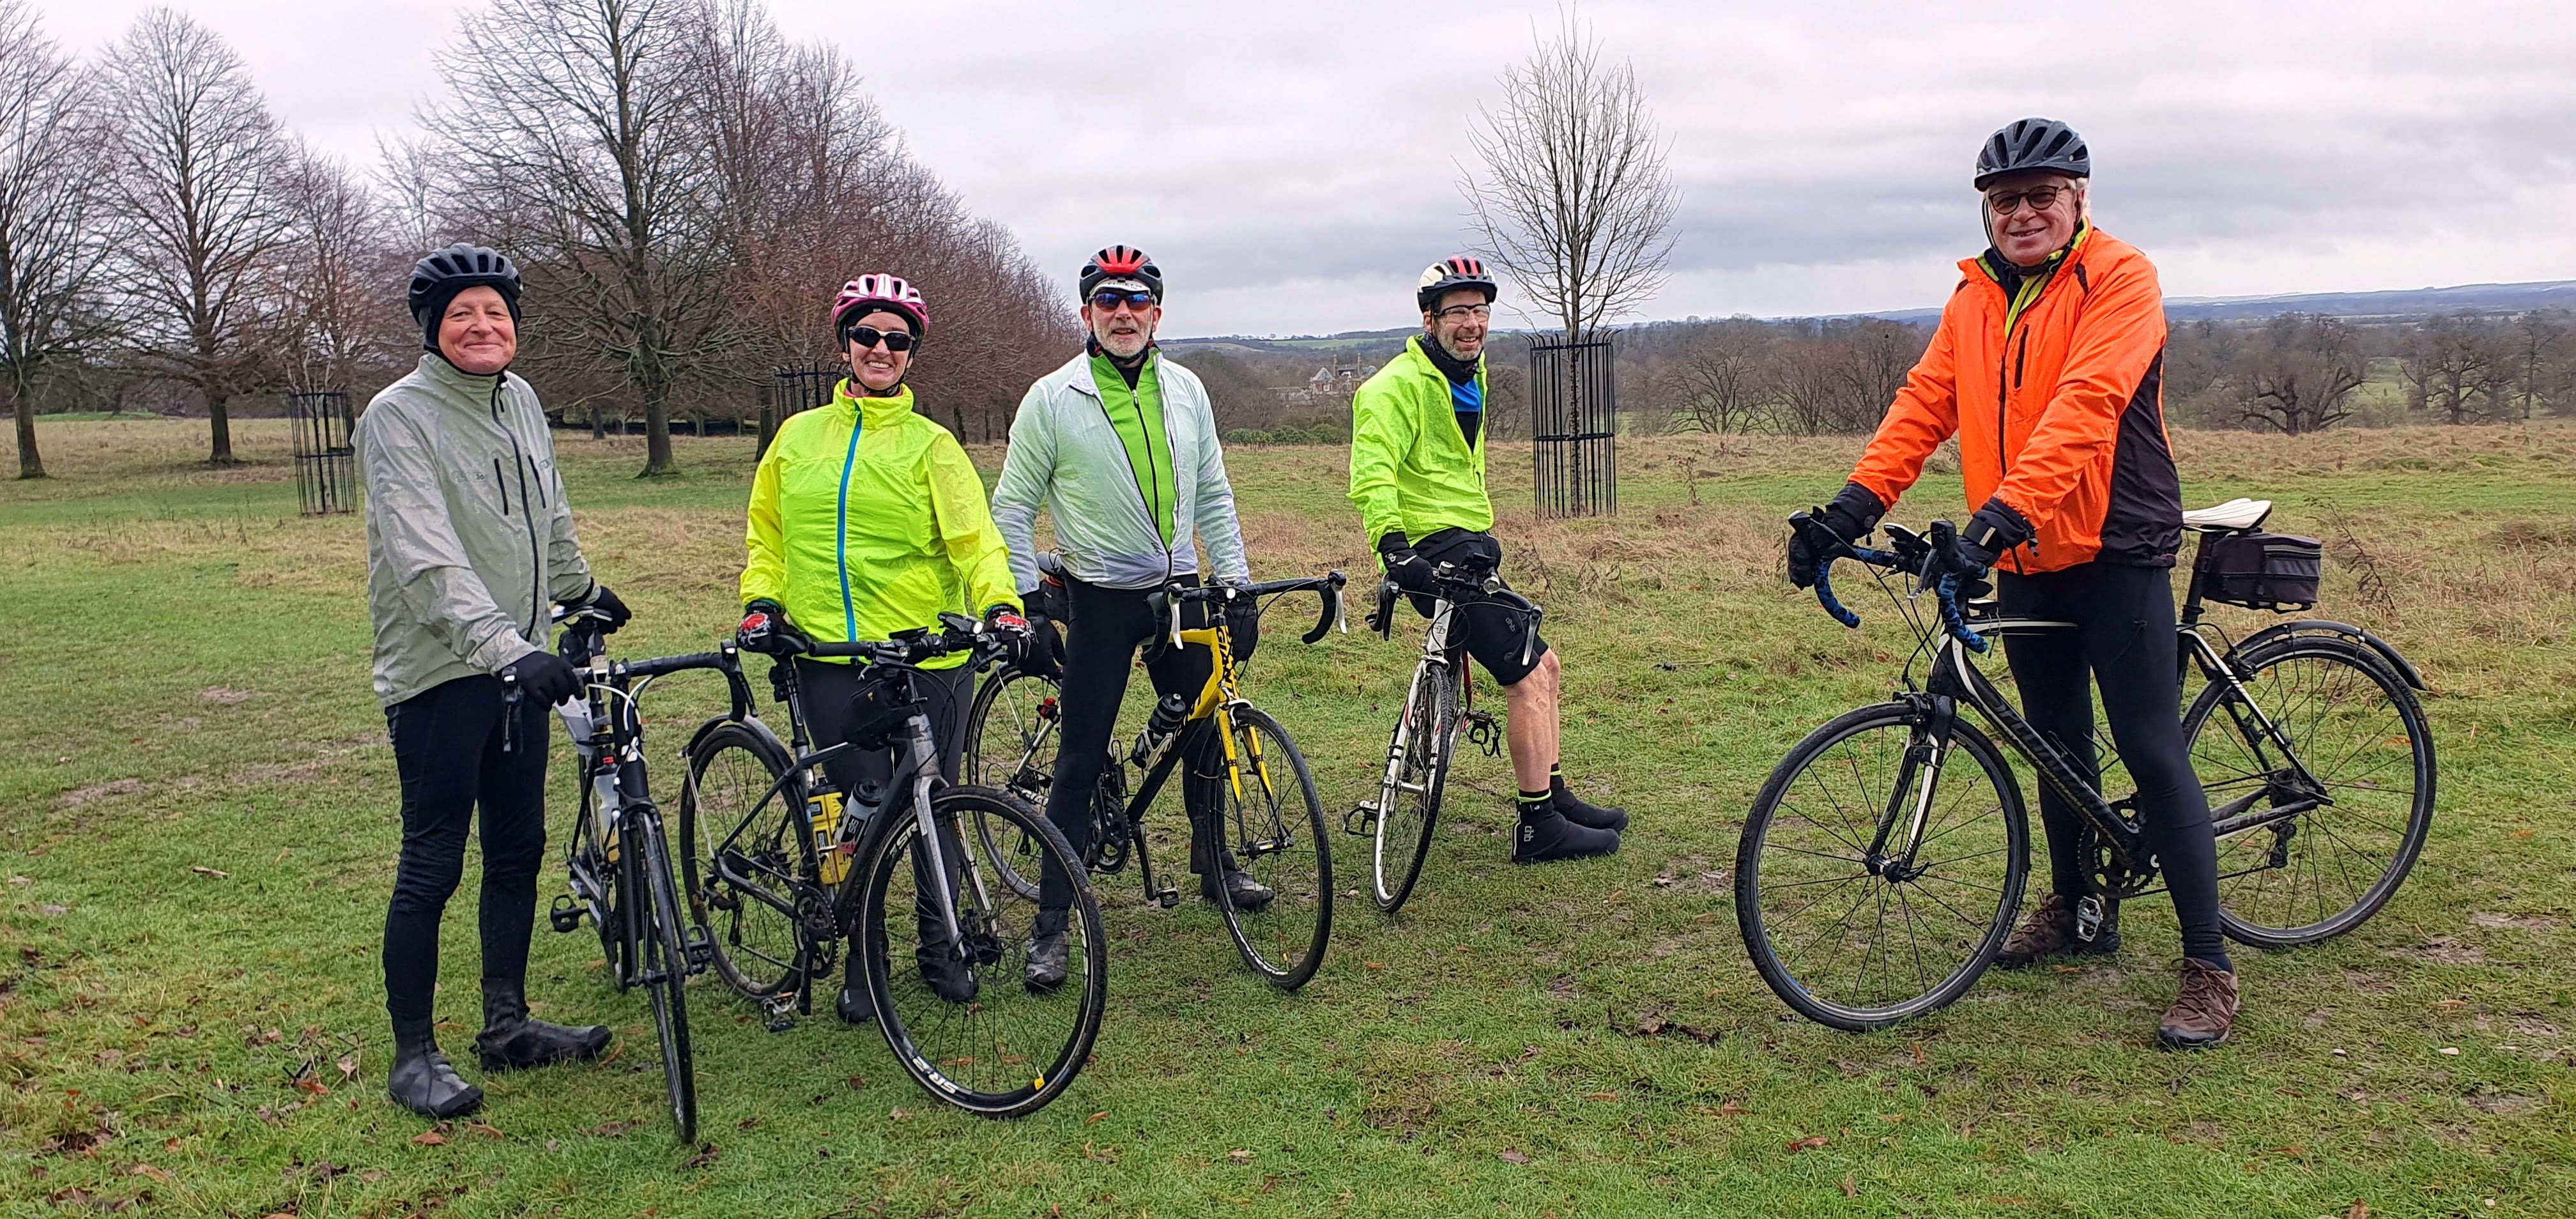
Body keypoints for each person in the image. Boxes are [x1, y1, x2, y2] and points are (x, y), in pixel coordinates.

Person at [1788, 118, 2238, 1048]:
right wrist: (1849, 511)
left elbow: (2087, 408)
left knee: (2149, 747)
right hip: (2029, 556)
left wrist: (1994, 522)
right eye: (2005, 201)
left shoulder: (2120, 278)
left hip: (2114, 545)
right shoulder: (1975, 298)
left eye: (2041, 196)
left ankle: (2209, 965)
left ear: (2078, 200)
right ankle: (2078, 911)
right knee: (2055, 743)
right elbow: (1924, 406)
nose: (2022, 213)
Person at [357, 244, 631, 1119]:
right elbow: (424, 558)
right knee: (433, 862)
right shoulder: (398, 417)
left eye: (496, 313)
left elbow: (548, 513)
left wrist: (581, 588)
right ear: (431, 328)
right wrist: (505, 647)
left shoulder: (520, 402)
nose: (482, 327)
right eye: (462, 315)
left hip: (518, 667)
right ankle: (413, 1054)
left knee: (517, 851)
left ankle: (507, 1025)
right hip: (442, 674)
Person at [735, 275, 1029, 1025]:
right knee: (854, 813)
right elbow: (768, 534)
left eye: (896, 340)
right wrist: (762, 600)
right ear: (845, 346)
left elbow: (976, 542)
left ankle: (942, 946)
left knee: (937, 802)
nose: (881, 349)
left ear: (910, 355)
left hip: (926, 658)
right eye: (867, 335)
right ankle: (865, 957)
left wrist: (999, 604)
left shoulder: (933, 446)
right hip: (830, 656)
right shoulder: (797, 438)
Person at [990, 245, 1262, 990]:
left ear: (1157, 314)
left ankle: (1214, 862)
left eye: (1136, 300)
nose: (1123, 313)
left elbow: (1214, 494)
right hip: (1100, 596)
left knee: (1204, 725)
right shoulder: (1053, 397)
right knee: (1079, 761)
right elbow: (1012, 507)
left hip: (1176, 587)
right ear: (1087, 313)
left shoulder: (1187, 391)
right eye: (1108, 301)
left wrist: (1235, 583)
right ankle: (1051, 924)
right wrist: (1028, 602)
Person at [1346, 257, 1627, 866]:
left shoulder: (1471, 376)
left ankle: (1554, 794)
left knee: (1546, 664)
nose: (1472, 323)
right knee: (1525, 678)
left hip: (1470, 545)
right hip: (1430, 552)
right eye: (1458, 312)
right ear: (1429, 319)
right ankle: (1538, 826)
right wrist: (1393, 549)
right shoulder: (1393, 388)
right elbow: (1373, 476)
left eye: (1480, 310)